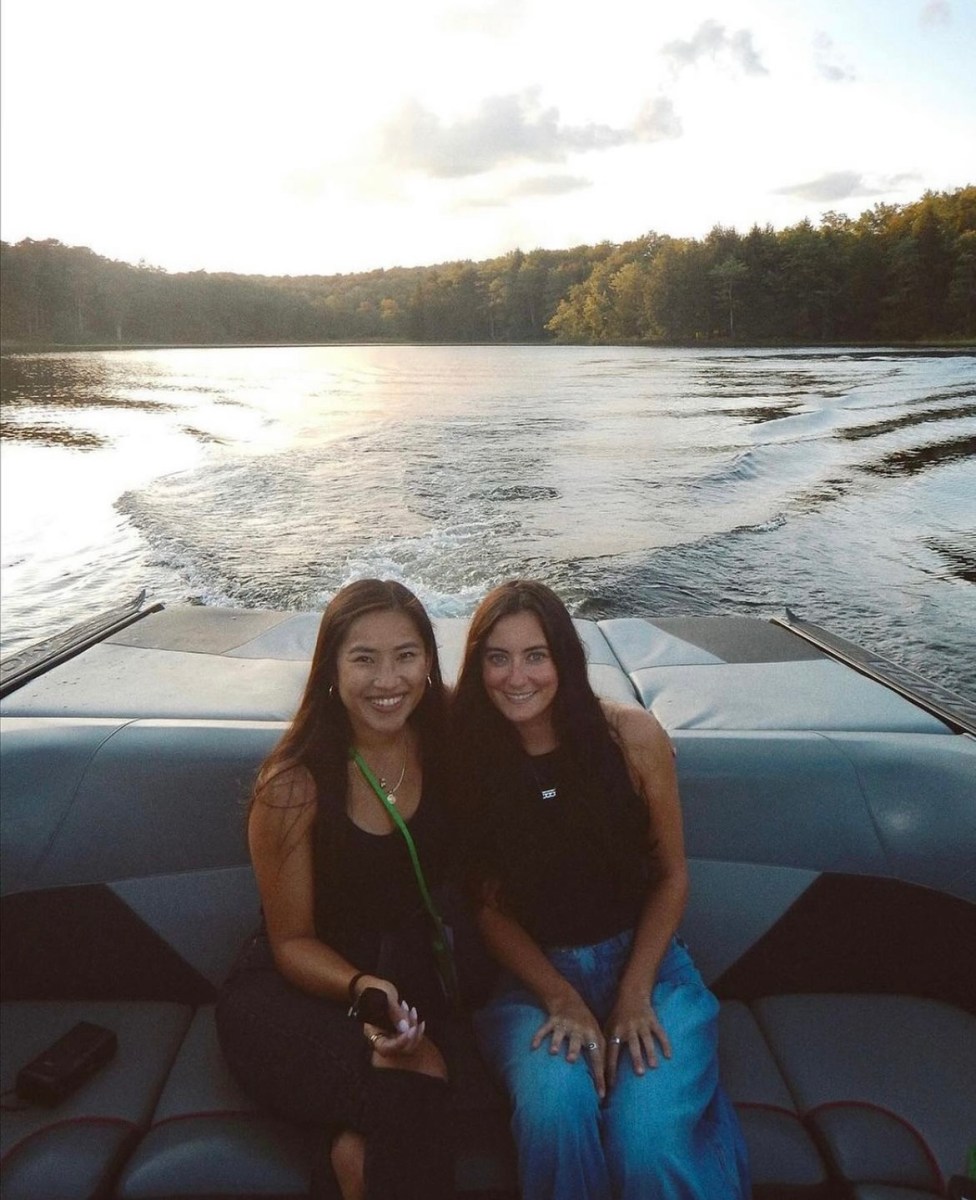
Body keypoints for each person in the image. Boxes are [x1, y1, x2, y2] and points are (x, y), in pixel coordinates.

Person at [450, 580, 750, 1200]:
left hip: (649, 967)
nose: (517, 677)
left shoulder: (631, 738)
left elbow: (671, 875)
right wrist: (561, 996)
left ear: (565, 657)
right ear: (477, 665)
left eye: (536, 655)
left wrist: (634, 994)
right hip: (533, 983)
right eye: (497, 657)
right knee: (555, 1113)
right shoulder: (467, 757)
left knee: (648, 1141)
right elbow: (488, 907)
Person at [216, 579, 455, 1200]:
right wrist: (365, 991)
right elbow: (290, 940)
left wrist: (632, 727)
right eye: (364, 659)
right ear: (331, 669)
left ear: (429, 663)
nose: (388, 679)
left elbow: (539, 712)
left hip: (406, 983)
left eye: (406, 655)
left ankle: (349, 1160)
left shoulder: (451, 745)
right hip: (302, 989)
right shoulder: (293, 785)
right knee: (418, 1074)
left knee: (375, 1137)